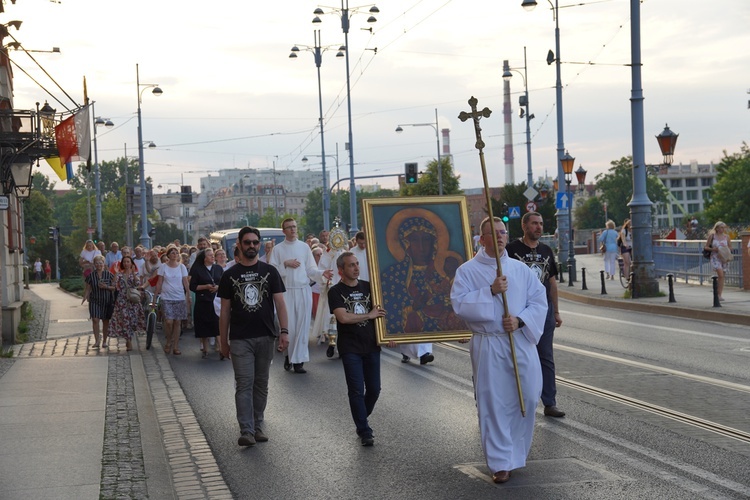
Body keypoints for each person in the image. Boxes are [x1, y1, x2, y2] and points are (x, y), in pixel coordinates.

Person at [450, 216, 547, 484]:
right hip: (489, 343)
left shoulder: (519, 269)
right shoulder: (467, 271)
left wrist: (520, 320)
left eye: (503, 232)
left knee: (526, 396)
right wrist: (490, 291)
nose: (501, 237)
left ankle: (516, 453)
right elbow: (459, 305)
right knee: (494, 403)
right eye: (494, 233)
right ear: (482, 239)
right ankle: (500, 462)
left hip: (519, 341)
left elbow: (539, 301)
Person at [218, 226, 289, 447]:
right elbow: (225, 311)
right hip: (240, 339)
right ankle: (246, 430)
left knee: (261, 384)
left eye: (255, 243)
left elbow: (280, 304)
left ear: (259, 244)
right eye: (247, 242)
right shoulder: (229, 275)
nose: (251, 246)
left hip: (266, 336)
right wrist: (223, 342)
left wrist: (284, 332)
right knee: (244, 383)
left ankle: (258, 425)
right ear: (239, 245)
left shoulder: (270, 271)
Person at [380, 213, 464, 364]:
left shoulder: (440, 272)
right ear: (406, 243)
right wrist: (413, 306)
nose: (421, 246)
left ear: (434, 243)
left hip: (434, 319)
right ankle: (408, 352)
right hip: (410, 321)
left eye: (426, 239)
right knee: (413, 319)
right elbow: (392, 307)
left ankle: (425, 353)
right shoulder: (393, 275)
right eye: (415, 240)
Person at [506, 212, 565, 418]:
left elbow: (551, 283)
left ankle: (550, 402)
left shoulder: (547, 251)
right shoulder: (511, 250)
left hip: (543, 311)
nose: (538, 227)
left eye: (540, 223)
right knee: (517, 356)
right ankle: (516, 400)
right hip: (519, 311)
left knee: (545, 356)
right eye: (534, 224)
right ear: (524, 226)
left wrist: (555, 312)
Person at [328, 251, 389, 446]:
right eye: (351, 265)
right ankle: (364, 430)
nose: (356, 268)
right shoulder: (335, 291)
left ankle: (361, 415)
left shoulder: (369, 287)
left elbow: (381, 313)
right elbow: (343, 317)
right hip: (350, 348)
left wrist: (389, 336)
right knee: (356, 390)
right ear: (341, 270)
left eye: (356, 264)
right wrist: (368, 316)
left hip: (371, 346)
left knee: (374, 390)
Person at [269, 218, 331, 373]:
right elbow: (271, 270)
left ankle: (299, 361)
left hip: (303, 290)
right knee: (290, 327)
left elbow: (310, 270)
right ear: (283, 231)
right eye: (289, 227)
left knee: (302, 327)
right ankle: (288, 356)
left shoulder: (304, 248)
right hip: (286, 292)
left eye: (294, 227)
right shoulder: (278, 249)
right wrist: (285, 264)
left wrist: (321, 273)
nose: (293, 230)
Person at [155, 245, 191, 355]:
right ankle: (168, 341)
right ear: (168, 255)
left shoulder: (181, 267)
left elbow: (185, 282)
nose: (174, 254)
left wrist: (188, 295)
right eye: (172, 252)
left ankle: (175, 345)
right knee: (169, 321)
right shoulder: (163, 267)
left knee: (177, 322)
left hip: (179, 297)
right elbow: (159, 282)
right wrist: (155, 296)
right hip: (167, 297)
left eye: (176, 253)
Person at [189, 248, 223, 358]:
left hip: (216, 300)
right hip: (203, 300)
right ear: (204, 258)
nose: (212, 257)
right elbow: (193, 286)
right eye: (209, 255)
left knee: (217, 324)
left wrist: (218, 287)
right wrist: (206, 287)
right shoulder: (197, 270)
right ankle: (205, 348)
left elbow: (224, 283)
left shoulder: (218, 268)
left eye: (213, 255)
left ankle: (222, 348)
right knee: (203, 324)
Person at [108, 255, 145, 351]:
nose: (126, 263)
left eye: (128, 262)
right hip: (122, 300)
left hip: (133, 300)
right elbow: (114, 285)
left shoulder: (135, 274)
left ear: (131, 263)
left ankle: (130, 336)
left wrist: (133, 273)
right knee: (125, 320)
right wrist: (116, 274)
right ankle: (128, 341)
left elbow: (138, 285)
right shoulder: (120, 274)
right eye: (124, 262)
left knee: (132, 321)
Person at [82, 255, 115, 348]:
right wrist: (85, 297)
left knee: (105, 321)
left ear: (103, 264)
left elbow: (115, 287)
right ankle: (97, 340)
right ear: (94, 264)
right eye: (97, 263)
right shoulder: (91, 276)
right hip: (94, 300)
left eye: (100, 263)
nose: (99, 265)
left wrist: (106, 287)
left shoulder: (109, 274)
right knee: (95, 320)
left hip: (106, 301)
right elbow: (88, 288)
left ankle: (104, 340)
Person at [705, 221, 732, 301]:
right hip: (715, 257)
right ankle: (717, 292)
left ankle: (719, 294)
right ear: (716, 228)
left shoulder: (726, 237)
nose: (722, 229)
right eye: (721, 227)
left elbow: (730, 247)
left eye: (723, 227)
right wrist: (714, 249)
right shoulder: (712, 236)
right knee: (720, 275)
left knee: (722, 276)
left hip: (724, 258)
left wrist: (726, 249)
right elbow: (706, 247)